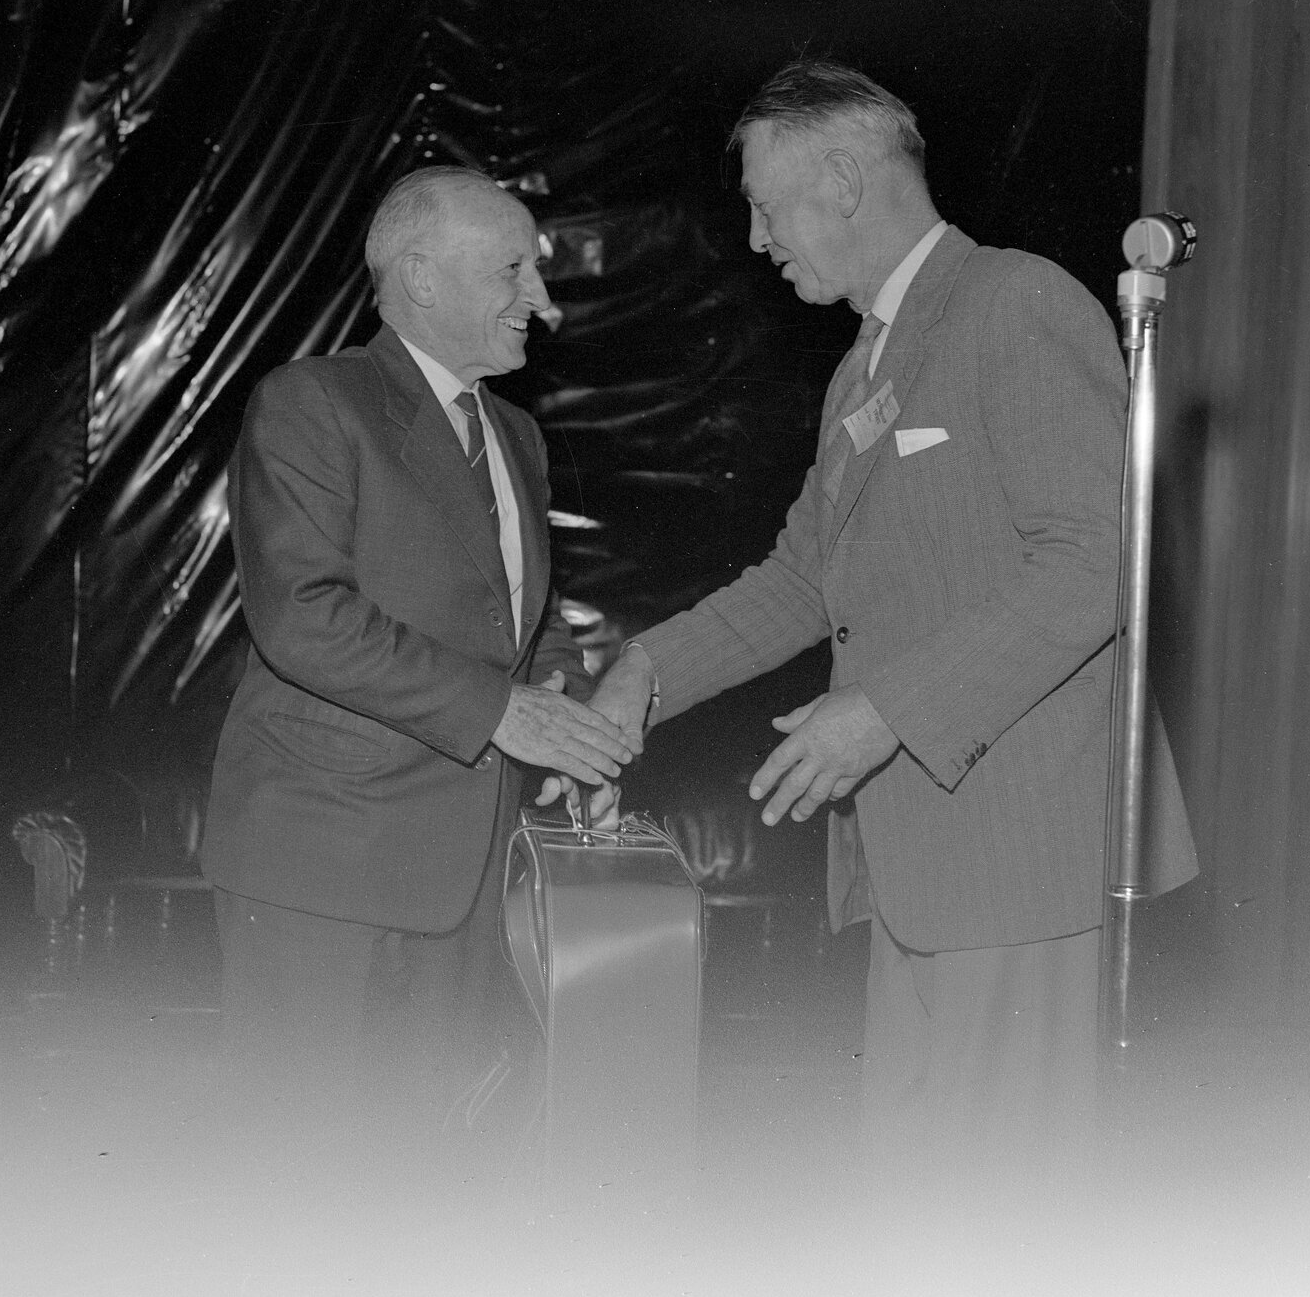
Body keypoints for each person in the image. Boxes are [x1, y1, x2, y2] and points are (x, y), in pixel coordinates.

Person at [592, 59, 1196, 1177]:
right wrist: (644, 670)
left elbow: (1097, 566)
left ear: (839, 178)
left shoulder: (1014, 302)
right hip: (918, 863)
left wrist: (883, 713)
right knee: (916, 1197)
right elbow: (802, 578)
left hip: (1017, 858)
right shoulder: (863, 363)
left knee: (994, 1209)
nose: (758, 241)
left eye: (765, 207)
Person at [197, 165, 635, 1134]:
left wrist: (568, 732)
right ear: (422, 276)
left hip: (465, 869)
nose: (542, 299)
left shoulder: (515, 433)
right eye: (513, 269)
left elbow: (520, 621)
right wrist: (503, 713)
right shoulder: (313, 401)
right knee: (301, 1168)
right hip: (325, 864)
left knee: (429, 1167)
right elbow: (303, 615)